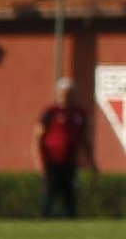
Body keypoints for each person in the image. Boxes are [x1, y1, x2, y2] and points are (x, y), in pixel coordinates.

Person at [35, 76, 94, 218]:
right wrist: (40, 162)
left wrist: (91, 163)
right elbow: (37, 138)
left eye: (69, 94)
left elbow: (84, 140)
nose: (65, 97)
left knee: (70, 196)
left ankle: (70, 222)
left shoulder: (79, 114)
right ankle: (44, 222)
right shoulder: (50, 113)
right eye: (63, 93)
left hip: (70, 162)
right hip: (52, 163)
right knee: (49, 195)